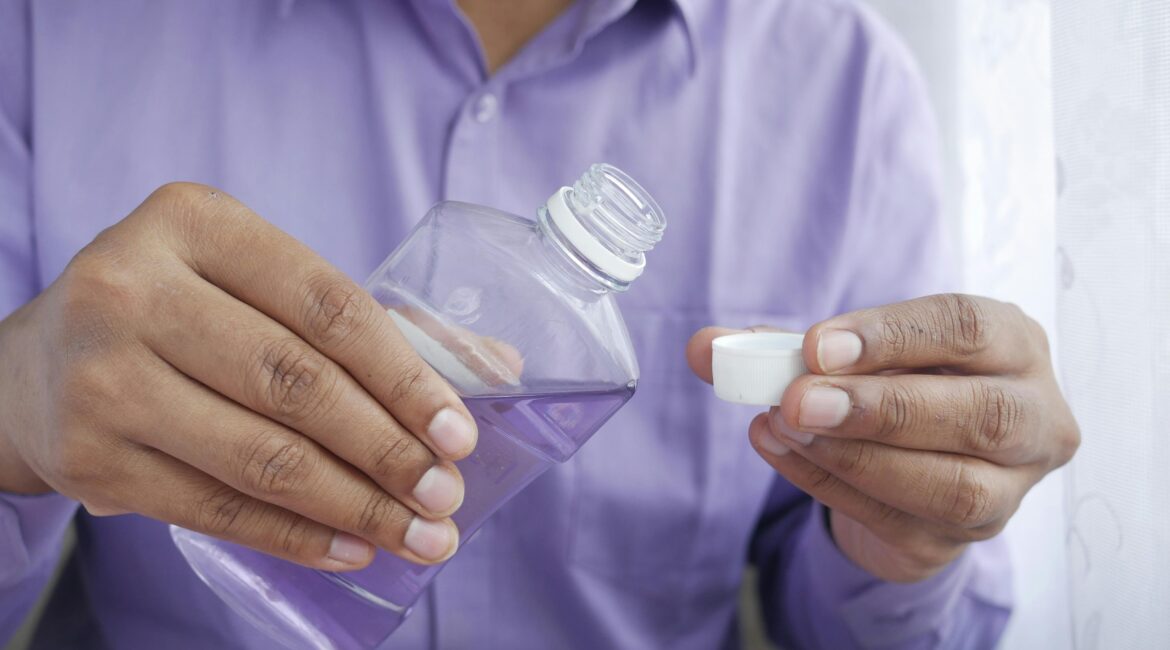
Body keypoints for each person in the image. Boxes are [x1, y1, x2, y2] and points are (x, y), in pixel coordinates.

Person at [0, 1, 1079, 648]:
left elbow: (841, 623)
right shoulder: (55, 28)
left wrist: (902, 537)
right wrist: (12, 420)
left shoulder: (841, 89)